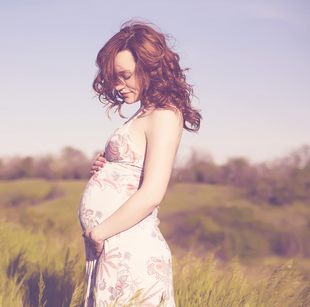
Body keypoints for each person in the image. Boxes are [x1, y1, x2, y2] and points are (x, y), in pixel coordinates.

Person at [78, 20, 201, 307]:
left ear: (149, 67)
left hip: (130, 249)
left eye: (125, 76)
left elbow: (152, 193)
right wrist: (106, 168)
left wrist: (99, 232)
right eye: (114, 78)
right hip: (115, 246)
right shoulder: (144, 113)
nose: (118, 86)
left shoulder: (165, 114)